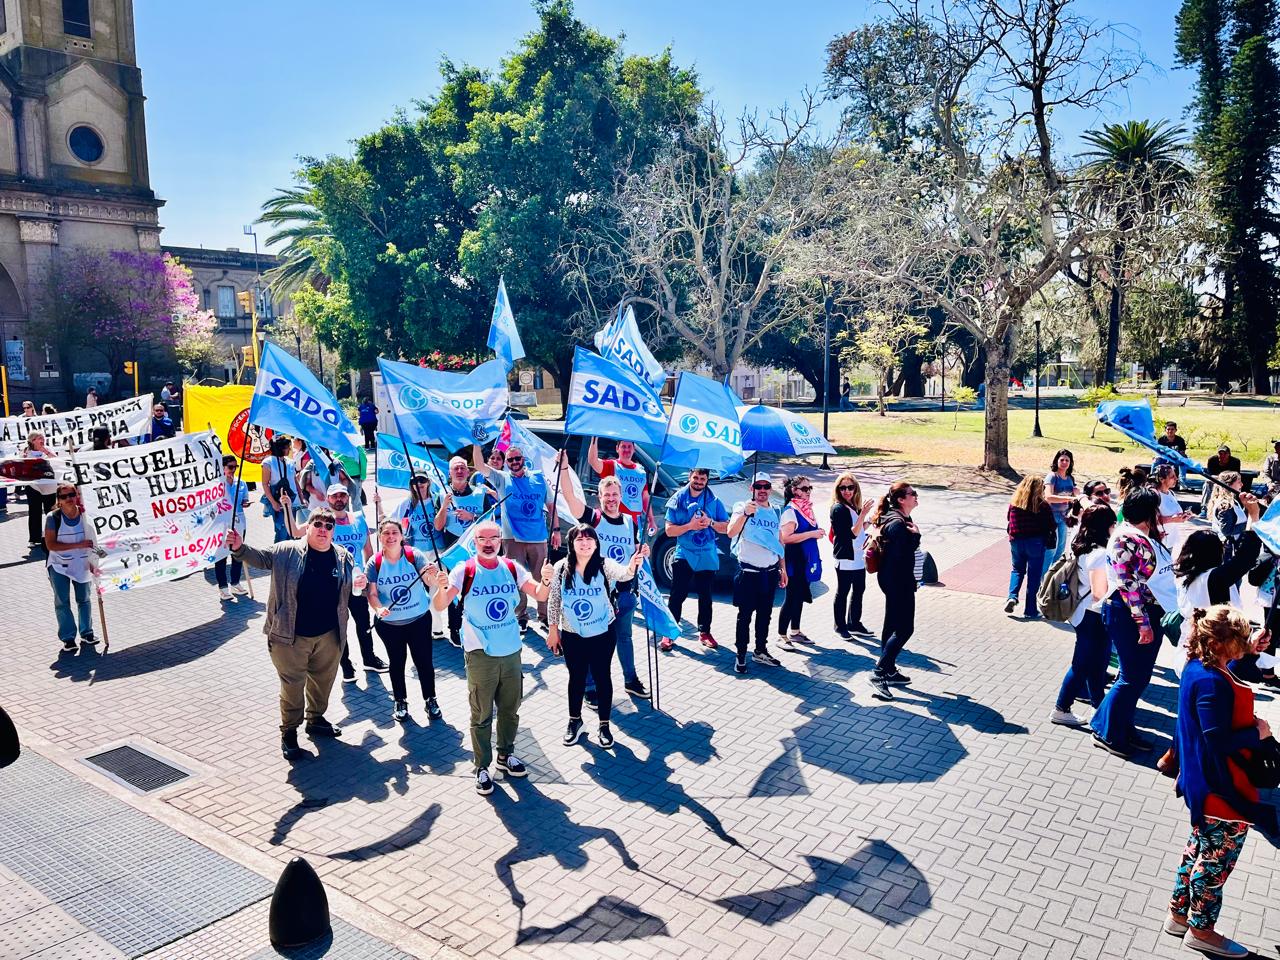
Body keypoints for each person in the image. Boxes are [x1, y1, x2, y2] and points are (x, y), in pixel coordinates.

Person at [1167, 604, 1277, 958]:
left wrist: (1251, 648)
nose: (1245, 642)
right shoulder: (1214, 683)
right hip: (1223, 787)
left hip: (1203, 782)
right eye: (1241, 638)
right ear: (1221, 644)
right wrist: (1256, 733)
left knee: (1198, 848)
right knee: (1215, 862)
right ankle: (1201, 930)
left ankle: (1178, 915)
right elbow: (1216, 740)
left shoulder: (1199, 669)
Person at [228, 509, 362, 760]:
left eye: (329, 526)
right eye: (318, 524)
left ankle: (316, 719)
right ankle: (289, 732)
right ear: (308, 527)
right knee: (293, 687)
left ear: (334, 531)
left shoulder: (343, 556)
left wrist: (361, 587)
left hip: (329, 636)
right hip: (290, 636)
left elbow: (351, 589)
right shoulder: (286, 551)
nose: (323, 529)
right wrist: (239, 548)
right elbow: (260, 558)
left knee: (323, 683)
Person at [431, 520, 552, 796]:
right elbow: (440, 605)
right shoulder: (465, 570)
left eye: (493, 538)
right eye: (482, 539)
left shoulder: (511, 568)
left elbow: (540, 593)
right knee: (482, 714)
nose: (488, 543)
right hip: (480, 654)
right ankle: (482, 766)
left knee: (510, 710)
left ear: (500, 541)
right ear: (474, 542)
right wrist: (440, 587)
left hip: (511, 651)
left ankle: (505, 755)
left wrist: (546, 579)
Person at [1090, 487, 1177, 758]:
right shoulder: (1127, 538)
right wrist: (1143, 624)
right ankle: (1107, 731)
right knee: (1131, 677)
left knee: (1139, 677)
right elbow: (1128, 585)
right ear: (1150, 511)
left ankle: (1121, 725)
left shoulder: (1141, 536)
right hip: (1129, 614)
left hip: (1146, 612)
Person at [546, 522, 644, 749]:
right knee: (576, 678)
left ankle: (604, 725)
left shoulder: (603, 564)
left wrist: (632, 565)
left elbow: (623, 574)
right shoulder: (561, 567)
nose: (585, 543)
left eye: (589, 539)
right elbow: (554, 601)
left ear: (596, 543)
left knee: (602, 676)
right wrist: (553, 630)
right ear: (571, 543)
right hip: (572, 634)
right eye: (579, 539)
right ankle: (574, 721)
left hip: (602, 631)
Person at [556, 464, 650, 698]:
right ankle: (590, 687)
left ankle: (631, 680)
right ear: (599, 497)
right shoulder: (593, 518)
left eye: (614, 494)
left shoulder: (631, 521)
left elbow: (632, 549)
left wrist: (641, 550)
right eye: (606, 495)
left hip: (625, 591)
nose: (611, 499)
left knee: (625, 637)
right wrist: (565, 467)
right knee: (591, 639)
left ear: (621, 496)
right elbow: (569, 497)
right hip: (596, 593)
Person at [472, 443, 559, 631]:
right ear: (507, 463)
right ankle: (522, 616)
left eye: (517, 458)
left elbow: (551, 506)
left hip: (538, 537)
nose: (514, 462)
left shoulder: (538, 478)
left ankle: (544, 616)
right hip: (512, 539)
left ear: (523, 460)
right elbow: (479, 465)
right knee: (516, 579)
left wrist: (557, 530)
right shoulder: (501, 478)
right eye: (510, 459)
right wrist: (476, 444)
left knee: (541, 577)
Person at [366, 519, 440, 723]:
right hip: (390, 626)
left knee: (424, 662)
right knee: (397, 663)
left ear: (401, 535)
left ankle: (431, 699)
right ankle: (400, 701)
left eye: (394, 533)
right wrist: (379, 608)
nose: (390, 537)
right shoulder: (375, 562)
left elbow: (428, 580)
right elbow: (371, 594)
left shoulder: (413, 554)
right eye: (386, 533)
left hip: (418, 621)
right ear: (380, 537)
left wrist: (432, 575)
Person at [1050, 504, 1117, 727]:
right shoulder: (1098, 554)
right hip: (1093, 616)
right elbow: (1099, 593)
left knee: (1097, 664)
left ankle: (1098, 706)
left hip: (1085, 614)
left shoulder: (1083, 546)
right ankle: (1061, 708)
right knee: (1082, 665)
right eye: (1112, 523)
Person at [1175, 520, 1263, 670]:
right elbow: (1245, 558)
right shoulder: (1213, 578)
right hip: (1212, 655)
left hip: (1191, 650)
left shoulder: (1185, 574)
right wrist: (1253, 516)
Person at [323, 481, 388, 681]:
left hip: (357, 583)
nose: (339, 499)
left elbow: (368, 550)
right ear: (328, 500)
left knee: (363, 622)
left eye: (342, 495)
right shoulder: (324, 523)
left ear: (348, 498)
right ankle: (346, 666)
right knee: (339, 626)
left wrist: (370, 579)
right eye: (334, 496)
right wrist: (287, 508)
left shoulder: (358, 519)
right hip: (333, 585)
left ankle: (369, 659)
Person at [663, 467, 730, 651]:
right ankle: (670, 632)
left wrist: (711, 522)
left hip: (707, 553)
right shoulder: (677, 499)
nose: (699, 481)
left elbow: (726, 528)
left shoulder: (714, 501)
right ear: (690, 477)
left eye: (702, 478)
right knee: (677, 594)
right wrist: (690, 525)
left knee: (706, 595)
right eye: (696, 477)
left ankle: (705, 632)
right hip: (684, 552)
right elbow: (669, 530)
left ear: (707, 479)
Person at [726, 472, 787, 673]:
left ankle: (760, 650)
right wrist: (745, 514)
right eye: (758, 486)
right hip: (748, 573)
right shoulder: (742, 507)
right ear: (751, 489)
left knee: (765, 615)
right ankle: (741, 655)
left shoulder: (776, 511)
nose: (762, 490)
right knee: (744, 616)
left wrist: (782, 568)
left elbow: (779, 542)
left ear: (770, 489)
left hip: (769, 573)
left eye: (766, 486)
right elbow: (730, 532)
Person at [869, 482, 922, 700]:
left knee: (891, 625)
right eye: (913, 494)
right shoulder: (898, 524)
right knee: (905, 629)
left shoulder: (895, 517)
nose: (916, 496)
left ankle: (888, 669)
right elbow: (901, 555)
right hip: (898, 581)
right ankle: (879, 673)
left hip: (891, 579)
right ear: (901, 499)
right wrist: (916, 536)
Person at [436, 456, 488, 647]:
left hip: (476, 550)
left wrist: (472, 516)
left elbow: (489, 521)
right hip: (454, 550)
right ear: (449, 473)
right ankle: (454, 628)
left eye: (463, 468)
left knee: (477, 587)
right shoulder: (442, 495)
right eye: (455, 468)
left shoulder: (480, 493)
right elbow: (438, 525)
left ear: (468, 472)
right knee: (454, 589)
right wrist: (443, 507)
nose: (459, 471)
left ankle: (480, 623)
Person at [44, 482, 96, 652]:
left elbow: (94, 540)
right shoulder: (53, 518)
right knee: (62, 602)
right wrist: (79, 545)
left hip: (82, 564)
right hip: (59, 565)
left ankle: (87, 633)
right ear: (58, 500)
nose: (69, 499)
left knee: (85, 599)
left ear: (77, 495)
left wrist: (95, 561)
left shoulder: (85, 515)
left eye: (72, 494)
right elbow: (51, 545)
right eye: (64, 496)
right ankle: (68, 638)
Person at [777, 475, 824, 651]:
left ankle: (795, 631)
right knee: (791, 597)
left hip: (805, 559)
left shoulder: (805, 509)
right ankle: (781, 635)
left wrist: (816, 532)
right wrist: (812, 534)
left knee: (800, 596)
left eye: (809, 488)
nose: (808, 492)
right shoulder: (790, 511)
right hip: (793, 559)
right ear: (793, 491)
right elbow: (786, 538)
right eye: (804, 489)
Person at [1003, 475, 1055, 619]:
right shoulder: (1042, 505)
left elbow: (1009, 519)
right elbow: (1051, 525)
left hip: (1016, 541)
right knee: (1034, 576)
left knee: (1017, 570)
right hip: (1036, 543)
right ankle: (1030, 610)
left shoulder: (1014, 503)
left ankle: (1012, 597)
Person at [830, 472, 874, 638]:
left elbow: (860, 529)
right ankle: (840, 626)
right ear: (838, 489)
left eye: (850, 487)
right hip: (845, 557)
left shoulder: (852, 506)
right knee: (843, 591)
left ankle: (854, 623)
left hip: (857, 557)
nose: (847, 491)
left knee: (859, 590)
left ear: (856, 489)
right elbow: (852, 534)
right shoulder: (838, 509)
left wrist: (869, 520)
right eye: (843, 488)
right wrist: (863, 515)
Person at [588, 437, 653, 532]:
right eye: (623, 446)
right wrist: (594, 438)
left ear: (634, 449)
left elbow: (645, 497)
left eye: (629, 446)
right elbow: (593, 461)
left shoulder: (641, 470)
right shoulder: (611, 466)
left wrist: (651, 519)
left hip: (635, 523)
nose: (626, 449)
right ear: (617, 449)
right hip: (615, 520)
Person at [216, 455, 251, 601]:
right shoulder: (217, 484)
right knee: (221, 555)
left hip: (239, 521)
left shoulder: (241, 483)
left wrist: (246, 503)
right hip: (222, 522)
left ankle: (235, 582)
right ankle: (223, 587)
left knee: (238, 553)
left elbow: (245, 499)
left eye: (235, 467)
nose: (233, 470)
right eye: (230, 467)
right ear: (223, 467)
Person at [1042, 449, 1078, 573]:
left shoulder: (1070, 478)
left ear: (1071, 462)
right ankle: (1042, 579)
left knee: (1061, 549)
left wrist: (1078, 494)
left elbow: (1076, 492)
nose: (1064, 462)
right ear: (1056, 461)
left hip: (1064, 517)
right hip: (1051, 517)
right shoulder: (1052, 476)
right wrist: (1069, 498)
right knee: (1050, 550)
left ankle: (1053, 576)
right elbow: (1048, 497)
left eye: (1067, 460)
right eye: (1061, 460)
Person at [261, 436, 300, 543]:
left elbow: (295, 481)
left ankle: (289, 557)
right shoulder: (268, 463)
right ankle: (277, 556)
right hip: (279, 502)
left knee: (292, 531)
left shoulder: (290, 462)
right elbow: (265, 484)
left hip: (293, 500)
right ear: (280, 448)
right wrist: (273, 503)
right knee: (282, 531)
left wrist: (301, 497)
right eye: (287, 447)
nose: (290, 449)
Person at [22, 431, 55, 549]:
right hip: (33, 486)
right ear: (32, 441)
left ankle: (54, 535)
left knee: (51, 511)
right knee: (34, 512)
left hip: (49, 486)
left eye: (43, 437)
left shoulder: (48, 449)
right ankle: (35, 538)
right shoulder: (26, 452)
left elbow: (59, 461)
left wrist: (45, 451)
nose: (42, 439)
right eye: (39, 438)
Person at [1207, 473, 1248, 564]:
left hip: (1232, 547)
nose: (1242, 484)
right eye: (1239, 482)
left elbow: (1239, 518)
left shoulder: (1233, 501)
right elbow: (1227, 531)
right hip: (1227, 550)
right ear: (1229, 485)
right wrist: (1248, 525)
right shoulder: (1224, 505)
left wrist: (1247, 506)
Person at [1202, 445, 1243, 515]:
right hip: (1215, 480)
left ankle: (1234, 508)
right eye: (1220, 454)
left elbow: (1236, 476)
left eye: (1225, 454)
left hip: (1229, 482)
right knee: (1207, 484)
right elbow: (1210, 475)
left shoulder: (1235, 461)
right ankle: (1204, 508)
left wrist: (1223, 479)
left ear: (1229, 454)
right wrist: (1221, 478)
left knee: (1236, 486)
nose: (1222, 456)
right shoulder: (1212, 460)